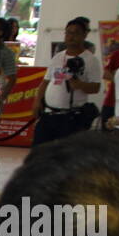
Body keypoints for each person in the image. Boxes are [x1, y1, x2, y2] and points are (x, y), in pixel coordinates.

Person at [31, 18, 101, 146]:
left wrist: (80, 85)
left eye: (76, 33)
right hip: (49, 113)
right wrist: (37, 101)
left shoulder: (91, 60)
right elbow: (46, 81)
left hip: (71, 116)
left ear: (84, 35)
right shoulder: (58, 56)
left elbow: (96, 87)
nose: (71, 36)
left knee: (65, 155)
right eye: (68, 33)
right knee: (39, 151)